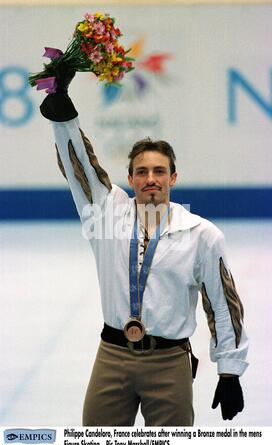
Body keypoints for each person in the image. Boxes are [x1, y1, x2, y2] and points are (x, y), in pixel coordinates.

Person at [39, 64, 248, 426]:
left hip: (169, 363)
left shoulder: (201, 234)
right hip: (112, 357)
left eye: (159, 171)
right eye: (141, 172)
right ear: (131, 179)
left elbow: (222, 304)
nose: (150, 179)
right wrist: (63, 116)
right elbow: (82, 169)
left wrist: (229, 370)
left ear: (174, 177)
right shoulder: (106, 215)